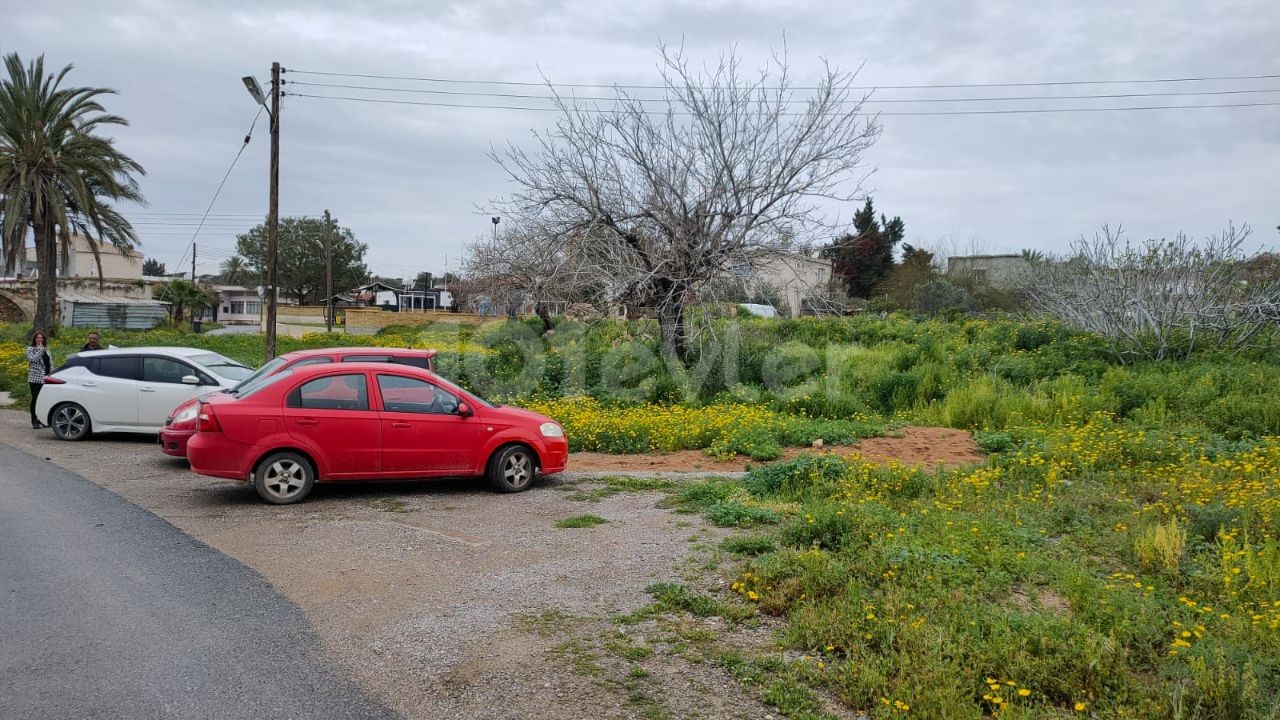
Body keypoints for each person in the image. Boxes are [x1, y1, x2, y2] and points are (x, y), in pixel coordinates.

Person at [26, 331, 53, 429]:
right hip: (35, 379)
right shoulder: (30, 349)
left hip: (46, 378)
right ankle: (34, 420)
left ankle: (42, 419)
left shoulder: (47, 350)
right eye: (38, 338)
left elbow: (50, 363)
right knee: (35, 399)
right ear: (34, 339)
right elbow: (33, 359)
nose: (40, 340)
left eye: (42, 338)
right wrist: (40, 350)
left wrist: (52, 374)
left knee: (44, 400)